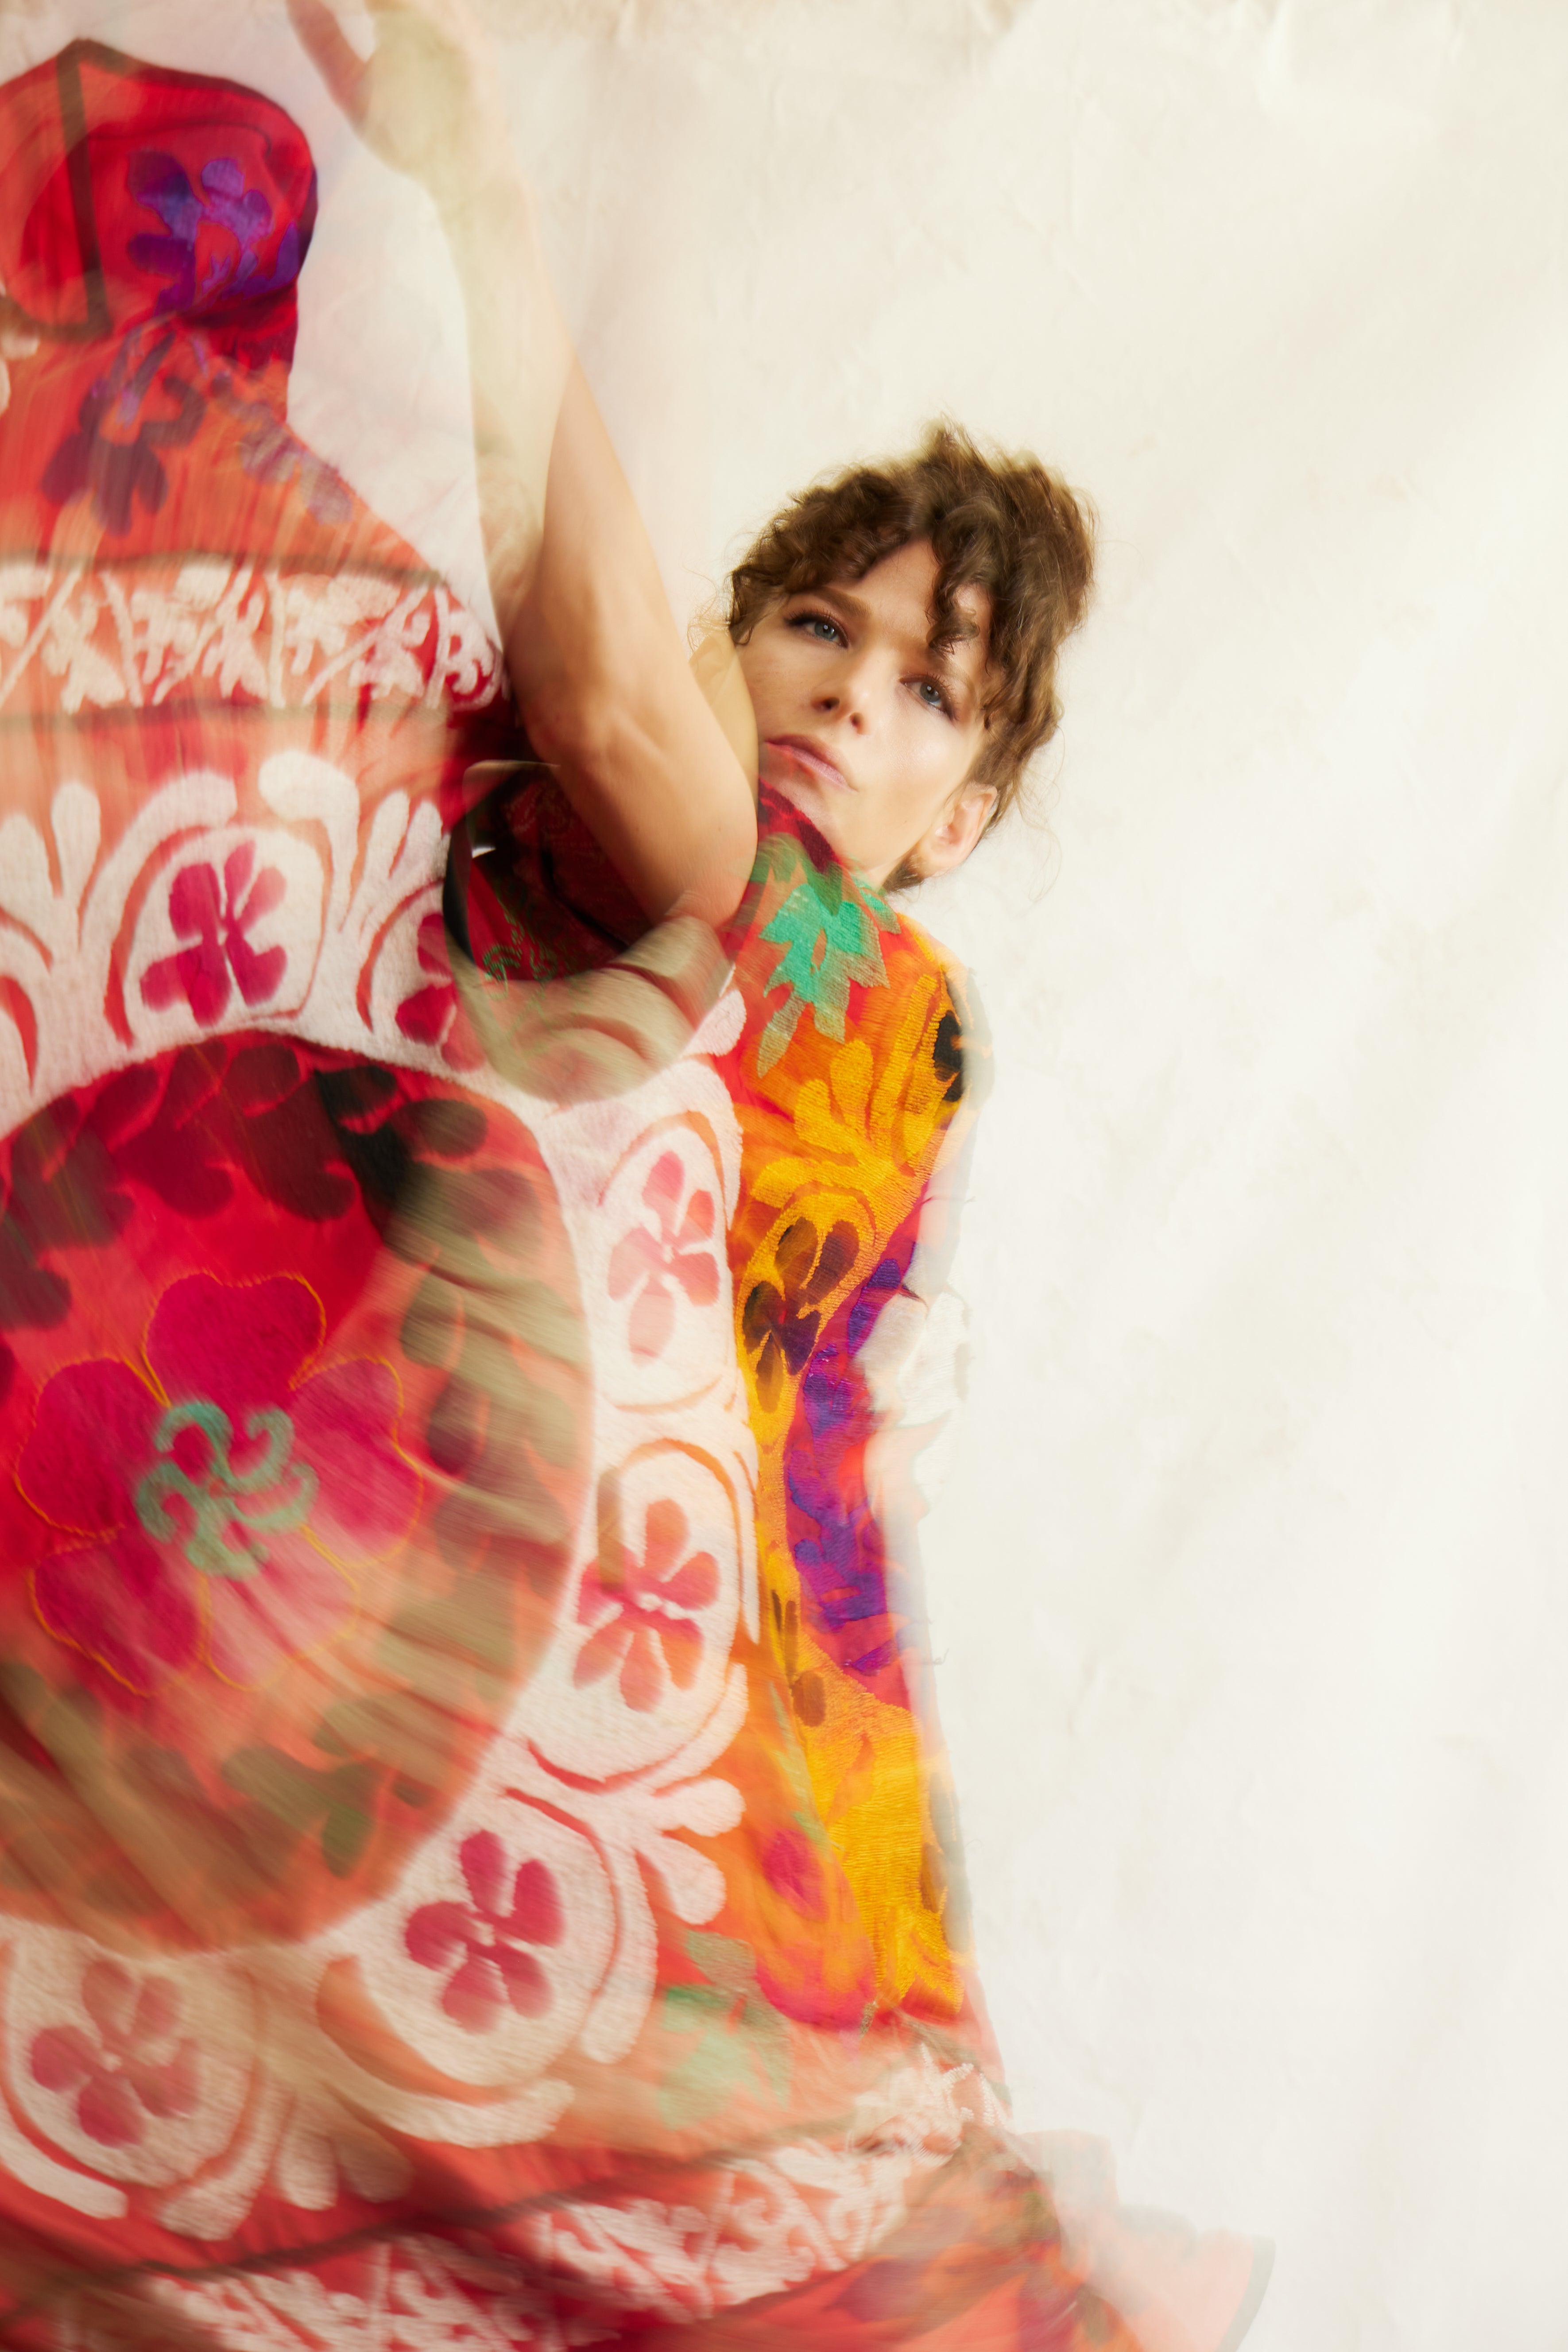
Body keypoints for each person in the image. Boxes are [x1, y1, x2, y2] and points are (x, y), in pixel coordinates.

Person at [0, 8, 1267, 2346]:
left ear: (962, 821)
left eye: (925, 692)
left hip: (677, 1859)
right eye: (816, 627)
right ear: (732, 636)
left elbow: (598, 701)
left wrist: (502, 189)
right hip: (412, 1745)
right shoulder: (553, 841)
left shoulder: (844, 984)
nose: (846, 697)